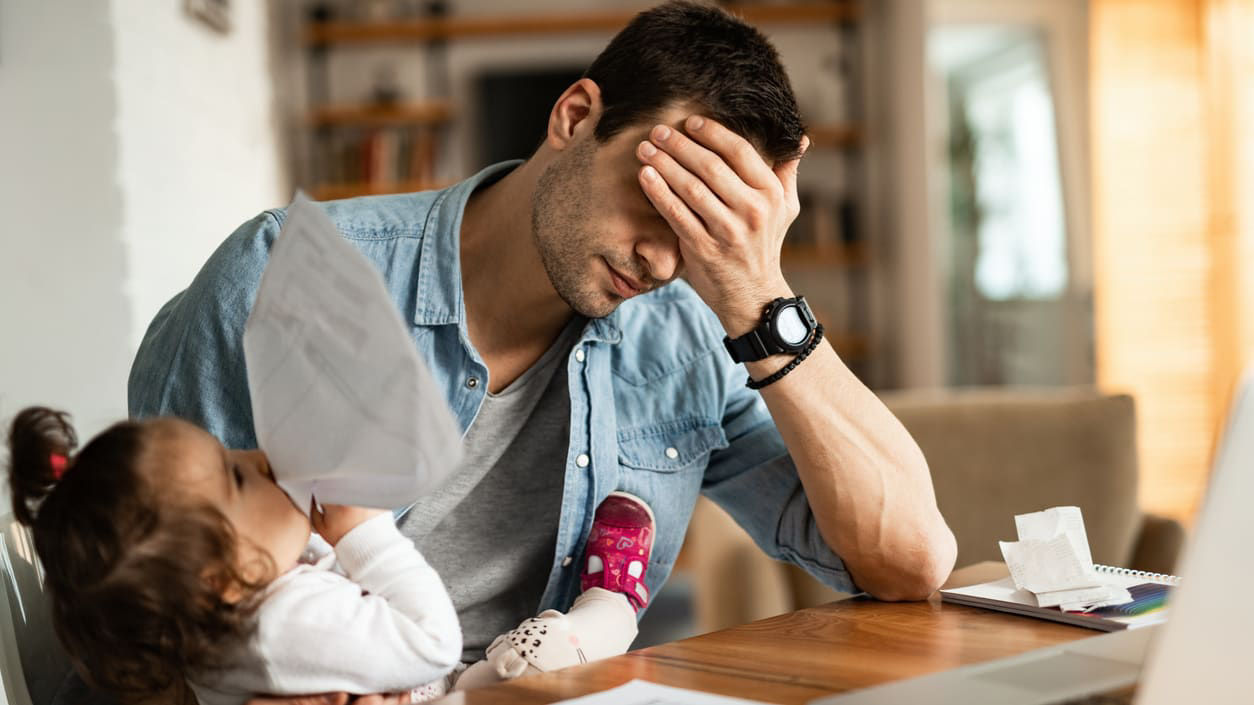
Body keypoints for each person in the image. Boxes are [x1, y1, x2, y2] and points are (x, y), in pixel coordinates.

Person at [129, 1, 957, 701]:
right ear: (573, 118)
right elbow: (147, 629)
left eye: (704, 232)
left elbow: (909, 561)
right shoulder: (284, 282)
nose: (664, 262)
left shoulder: (689, 342)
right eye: (656, 200)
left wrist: (759, 294)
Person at [7, 407, 654, 705]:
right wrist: (364, 532)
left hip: (434, 687)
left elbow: (320, 583)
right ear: (217, 576)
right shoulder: (278, 624)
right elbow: (431, 639)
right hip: (442, 682)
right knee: (531, 663)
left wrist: (315, 533)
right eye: (236, 479)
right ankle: (613, 596)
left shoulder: (223, 620)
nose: (256, 458)